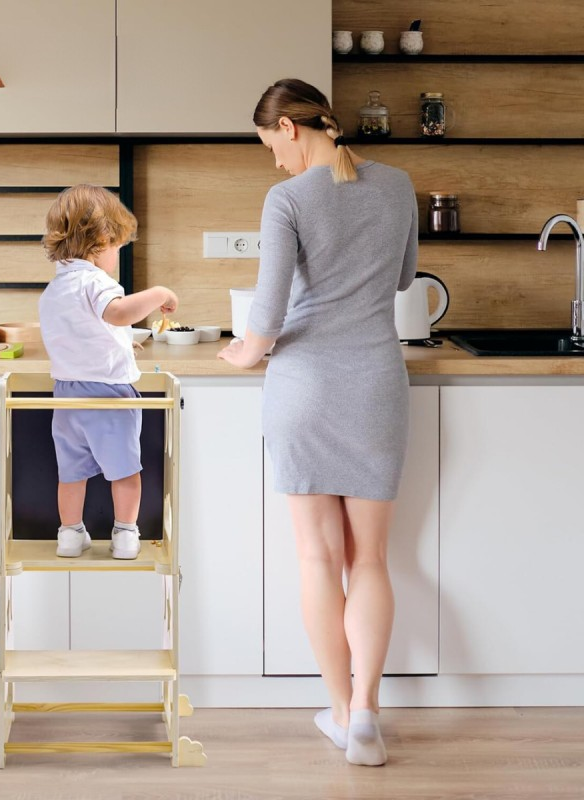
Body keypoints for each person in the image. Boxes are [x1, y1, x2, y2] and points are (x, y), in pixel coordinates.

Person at [218, 79, 418, 766]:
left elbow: (267, 317)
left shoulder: (288, 199)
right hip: (376, 385)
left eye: (271, 144)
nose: (274, 161)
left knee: (317, 558)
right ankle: (367, 713)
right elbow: (402, 278)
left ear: (290, 127)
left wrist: (243, 353)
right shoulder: (397, 185)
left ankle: (338, 711)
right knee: (372, 559)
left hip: (304, 387)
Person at [39, 184, 178, 560]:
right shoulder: (94, 280)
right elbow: (116, 313)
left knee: (71, 471)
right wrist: (160, 293)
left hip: (67, 394)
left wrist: (119, 341)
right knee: (124, 470)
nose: (117, 253)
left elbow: (83, 332)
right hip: (109, 396)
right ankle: (125, 535)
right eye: (118, 246)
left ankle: (69, 535)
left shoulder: (56, 286)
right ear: (101, 239)